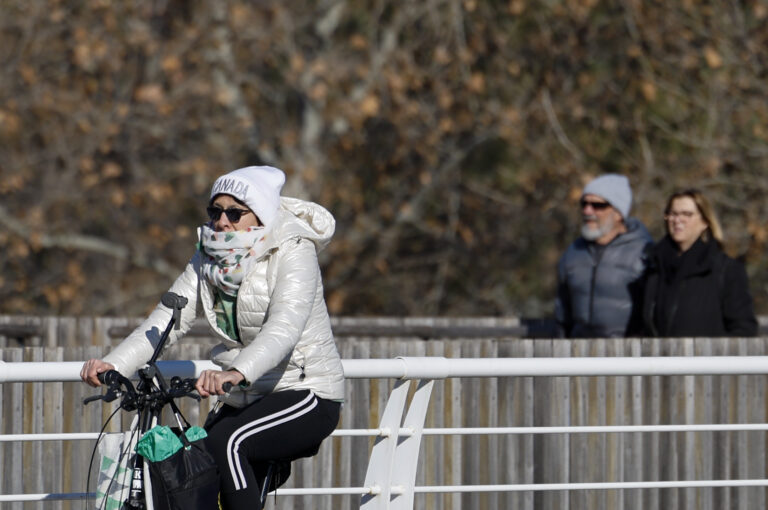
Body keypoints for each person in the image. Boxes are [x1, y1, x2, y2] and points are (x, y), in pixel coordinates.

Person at [81, 165, 344, 509]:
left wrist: (235, 372)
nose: (222, 222)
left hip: (306, 391)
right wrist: (114, 364)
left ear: (260, 215)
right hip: (247, 394)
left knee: (229, 442)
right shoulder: (209, 254)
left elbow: (284, 328)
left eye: (235, 213)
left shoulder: (294, 250)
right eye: (215, 211)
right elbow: (168, 318)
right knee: (198, 454)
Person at [642, 188, 757, 337]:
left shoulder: (726, 269)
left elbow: (743, 328)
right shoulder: (654, 266)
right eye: (672, 213)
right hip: (661, 359)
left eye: (687, 214)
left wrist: (715, 356)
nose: (678, 220)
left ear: (705, 221)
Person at [555, 174, 653, 338]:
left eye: (597, 205)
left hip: (627, 355)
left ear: (618, 213)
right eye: (584, 204)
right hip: (578, 355)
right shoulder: (573, 252)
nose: (588, 211)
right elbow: (562, 312)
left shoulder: (644, 253)